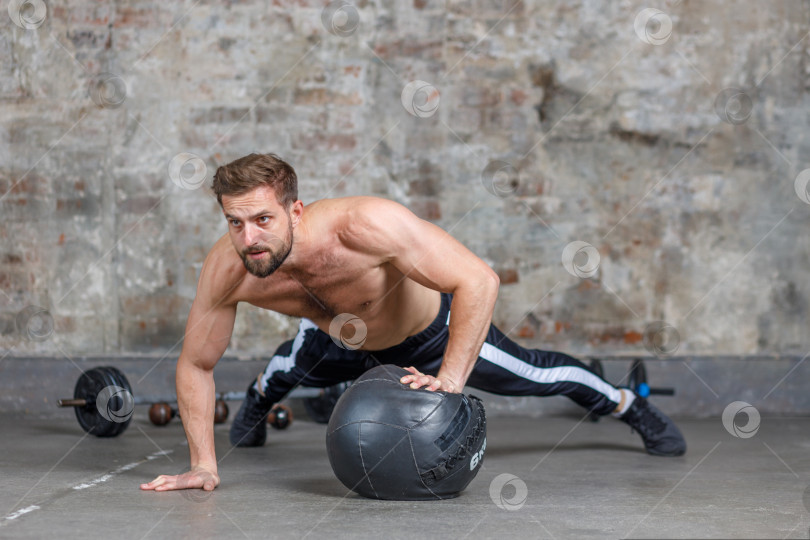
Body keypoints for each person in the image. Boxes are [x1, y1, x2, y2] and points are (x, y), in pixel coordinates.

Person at [140, 153, 686, 494]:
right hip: (335, 336)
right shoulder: (230, 268)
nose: (249, 238)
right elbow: (196, 362)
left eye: (262, 219)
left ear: (296, 211)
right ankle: (258, 404)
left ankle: (628, 406)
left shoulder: (363, 226)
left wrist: (450, 380)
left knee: (540, 376)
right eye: (234, 223)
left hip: (424, 339)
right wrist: (202, 464)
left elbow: (479, 281)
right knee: (286, 366)